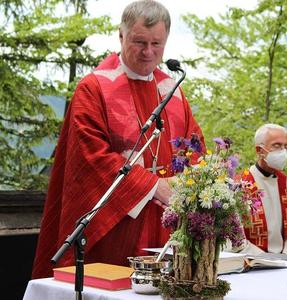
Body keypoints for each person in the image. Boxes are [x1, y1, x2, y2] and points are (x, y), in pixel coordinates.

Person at [32, 0, 206, 279]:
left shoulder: (172, 92)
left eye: (156, 44)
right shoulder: (94, 88)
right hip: (116, 228)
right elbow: (91, 160)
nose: (148, 52)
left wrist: (182, 185)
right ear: (121, 36)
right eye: (139, 42)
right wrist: (151, 186)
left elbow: (195, 151)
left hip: (167, 227)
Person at [241, 123, 287, 255]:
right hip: (253, 261)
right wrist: (263, 259)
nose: (283, 151)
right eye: (277, 145)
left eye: (286, 146)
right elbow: (236, 237)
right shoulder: (240, 185)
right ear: (259, 150)